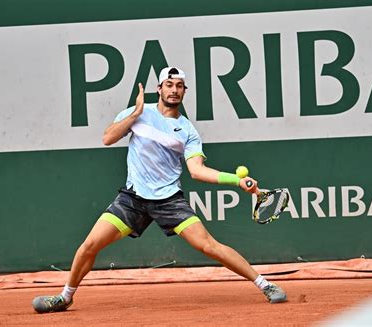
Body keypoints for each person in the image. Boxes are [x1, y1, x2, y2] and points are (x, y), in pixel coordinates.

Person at [32, 67, 287, 313]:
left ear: (184, 92)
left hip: (168, 200)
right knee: (89, 245)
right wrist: (135, 114)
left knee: (209, 245)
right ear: (159, 88)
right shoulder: (136, 112)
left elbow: (197, 171)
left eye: (179, 86)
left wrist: (236, 180)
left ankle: (265, 284)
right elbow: (108, 138)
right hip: (133, 198)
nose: (174, 90)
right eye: (169, 85)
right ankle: (65, 297)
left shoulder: (187, 130)